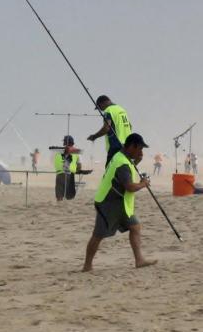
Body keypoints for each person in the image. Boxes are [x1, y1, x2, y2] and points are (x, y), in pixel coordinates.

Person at [82, 132, 156, 272]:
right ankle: (87, 265)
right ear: (132, 147)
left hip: (119, 203)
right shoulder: (122, 163)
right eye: (140, 149)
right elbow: (130, 186)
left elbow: (128, 169)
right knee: (98, 235)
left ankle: (139, 260)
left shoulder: (121, 156)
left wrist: (137, 161)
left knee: (135, 227)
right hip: (108, 203)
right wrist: (144, 184)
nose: (141, 152)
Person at [87, 94, 132, 165]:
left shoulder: (108, 111)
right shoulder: (121, 109)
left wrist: (94, 136)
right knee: (123, 167)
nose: (101, 109)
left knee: (110, 170)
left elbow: (106, 128)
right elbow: (130, 126)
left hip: (116, 146)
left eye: (99, 107)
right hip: (127, 145)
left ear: (103, 103)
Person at [54, 135, 89, 201]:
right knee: (69, 197)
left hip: (59, 174)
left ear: (65, 143)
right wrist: (77, 170)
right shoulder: (76, 152)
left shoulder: (58, 151)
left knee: (59, 197)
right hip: (69, 175)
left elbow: (56, 162)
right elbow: (79, 166)